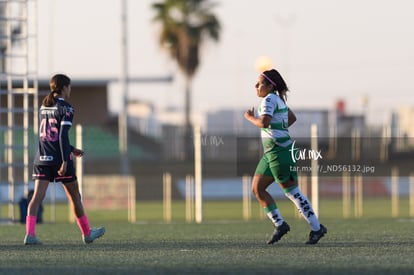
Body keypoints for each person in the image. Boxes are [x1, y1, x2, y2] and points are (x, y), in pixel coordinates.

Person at [244, 69, 327, 245]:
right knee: (257, 188)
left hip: (279, 153)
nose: (256, 86)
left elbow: (264, 122)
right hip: (271, 154)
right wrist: (279, 130)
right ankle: (280, 225)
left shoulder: (269, 100)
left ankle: (317, 228)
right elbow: (291, 118)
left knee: (292, 192)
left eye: (259, 83)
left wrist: (250, 118)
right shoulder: (277, 99)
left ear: (270, 85)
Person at [24, 74, 105, 245]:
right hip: (59, 160)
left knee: (36, 197)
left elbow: (49, 136)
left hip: (42, 158)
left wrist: (71, 148)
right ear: (64, 88)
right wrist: (66, 160)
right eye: (69, 87)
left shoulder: (43, 106)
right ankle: (87, 233)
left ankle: (30, 235)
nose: (70, 91)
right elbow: (61, 136)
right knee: (75, 197)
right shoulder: (66, 108)